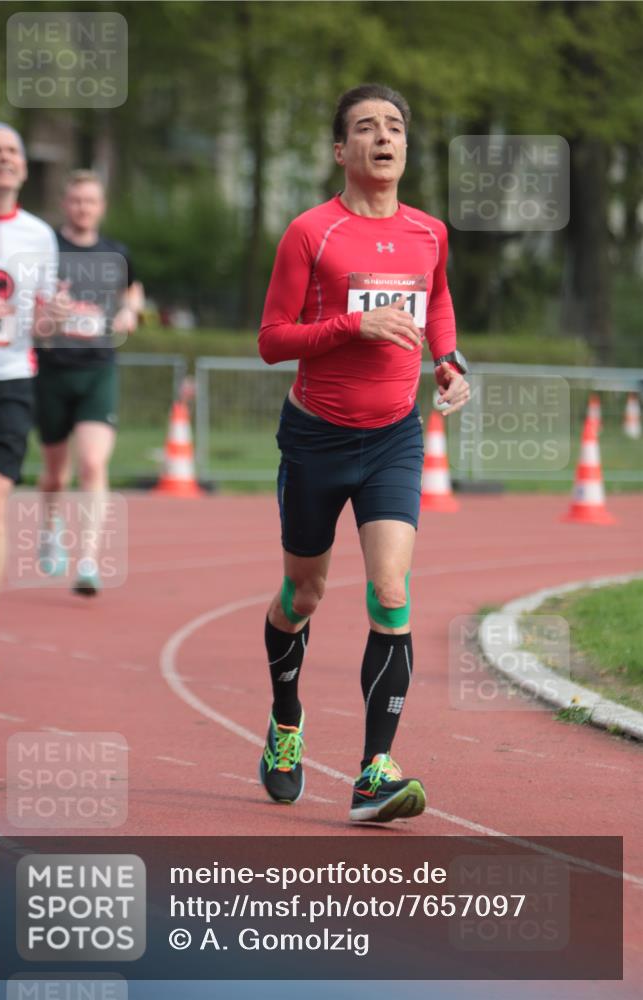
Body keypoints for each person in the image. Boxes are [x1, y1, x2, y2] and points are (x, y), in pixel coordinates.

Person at [257, 84, 470, 823]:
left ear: (405, 148)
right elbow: (271, 340)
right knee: (302, 598)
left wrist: (449, 361)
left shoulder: (429, 233)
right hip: (315, 438)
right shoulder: (310, 233)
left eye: (394, 127)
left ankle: (374, 771)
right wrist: (352, 325)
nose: (383, 137)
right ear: (340, 151)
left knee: (390, 591)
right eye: (365, 128)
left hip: (392, 437)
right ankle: (286, 720)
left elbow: (436, 302)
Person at [0, 122, 66, 682]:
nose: (5, 159)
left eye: (13, 151)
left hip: (10, 383)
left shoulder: (40, 235)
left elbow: (43, 318)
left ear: (25, 168)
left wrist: (53, 319)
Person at [34, 170, 144, 595]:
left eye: (90, 201)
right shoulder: (49, 249)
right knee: (54, 475)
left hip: (98, 367)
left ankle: (88, 561)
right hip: (52, 369)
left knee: (94, 464)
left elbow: (133, 290)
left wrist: (128, 311)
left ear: (101, 206)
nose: (83, 208)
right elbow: (29, 296)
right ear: (65, 204)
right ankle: (49, 529)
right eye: (76, 200)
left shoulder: (116, 253)